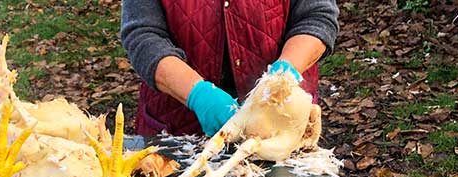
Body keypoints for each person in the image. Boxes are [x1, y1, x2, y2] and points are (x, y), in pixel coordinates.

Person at [120, 0, 339, 136]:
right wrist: (197, 95)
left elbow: (317, 17)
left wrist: (284, 75)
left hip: (279, 119)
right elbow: (143, 35)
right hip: (177, 124)